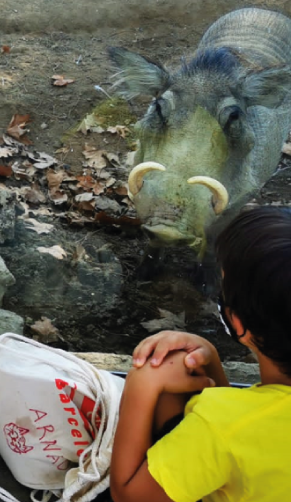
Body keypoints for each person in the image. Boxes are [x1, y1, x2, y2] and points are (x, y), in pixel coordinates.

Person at [111, 206, 291, 502]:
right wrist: (211, 359)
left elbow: (129, 496)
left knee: (168, 392)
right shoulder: (235, 422)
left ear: (238, 323)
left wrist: (141, 385)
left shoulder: (221, 427)